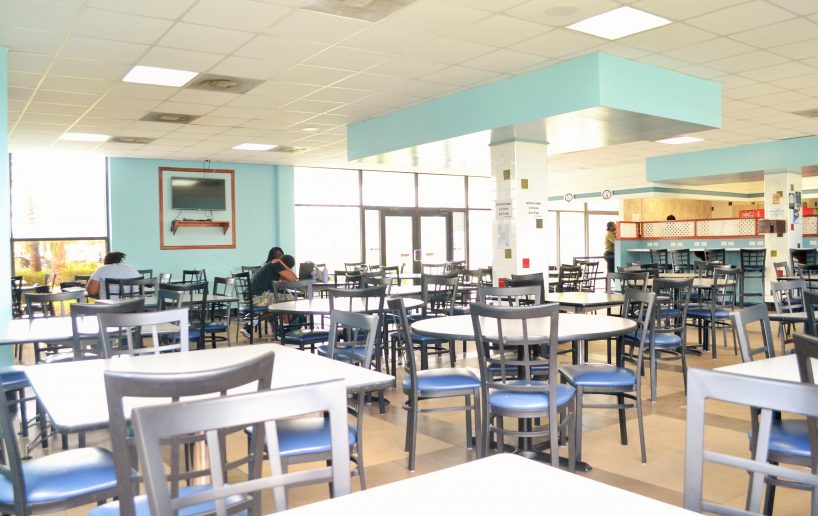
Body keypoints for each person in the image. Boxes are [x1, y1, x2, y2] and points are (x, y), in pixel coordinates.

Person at [241, 254, 297, 338]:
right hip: (257, 298)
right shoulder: (276, 264)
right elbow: (294, 278)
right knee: (290, 300)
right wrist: (283, 264)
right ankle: (283, 332)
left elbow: (285, 280)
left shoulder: (271, 266)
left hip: (251, 297)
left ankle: (249, 326)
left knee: (278, 306)